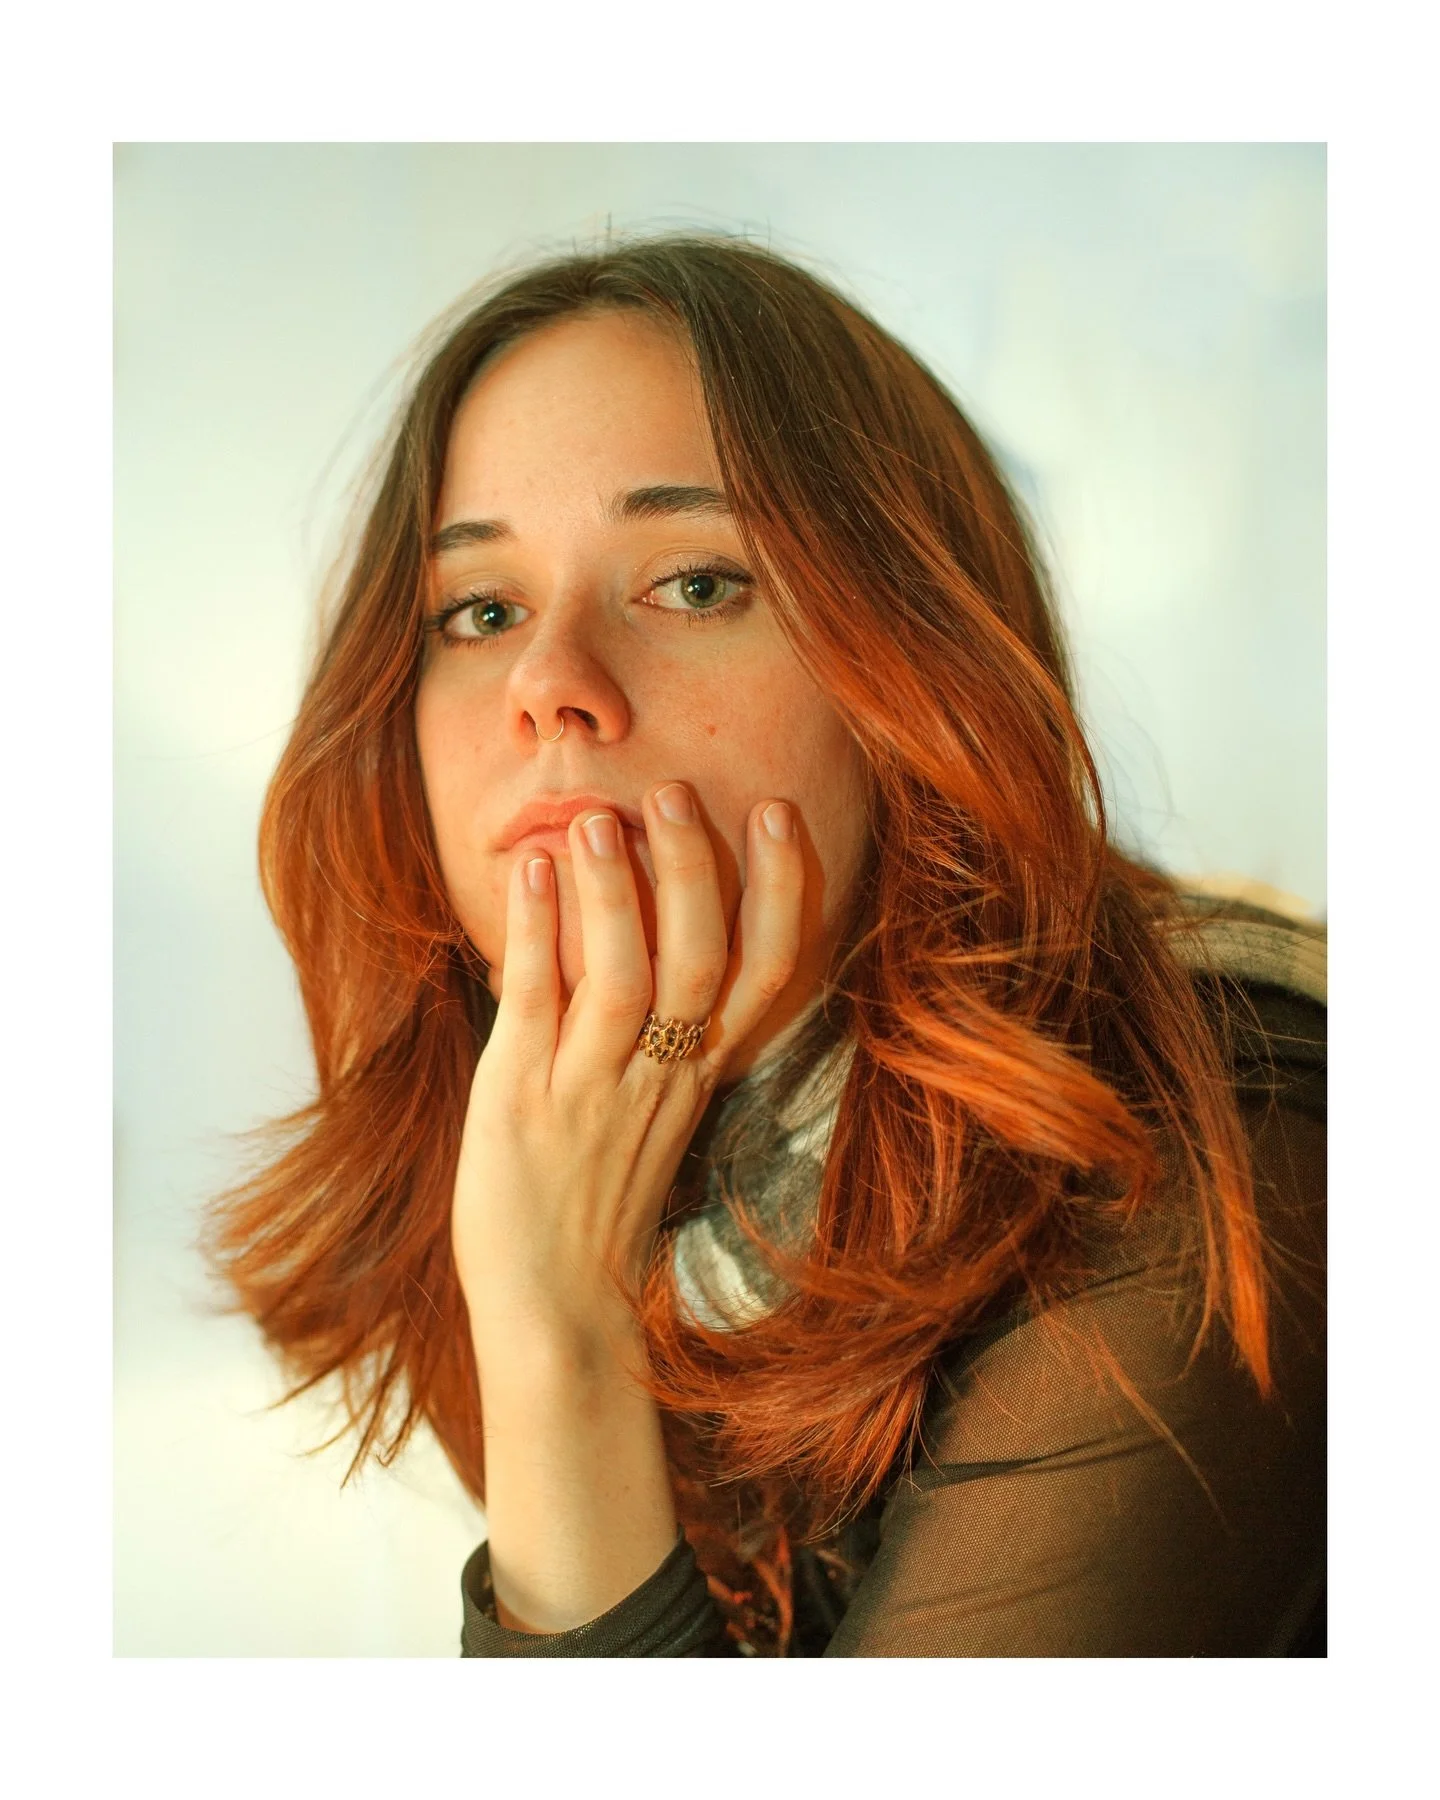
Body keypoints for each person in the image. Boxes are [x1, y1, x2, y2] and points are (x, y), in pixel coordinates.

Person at [205, 234, 1326, 1657]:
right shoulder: (556, 1155)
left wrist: (562, 1349)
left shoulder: (1217, 1163)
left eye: (693, 584)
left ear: (916, 672)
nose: (551, 687)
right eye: (481, 612)